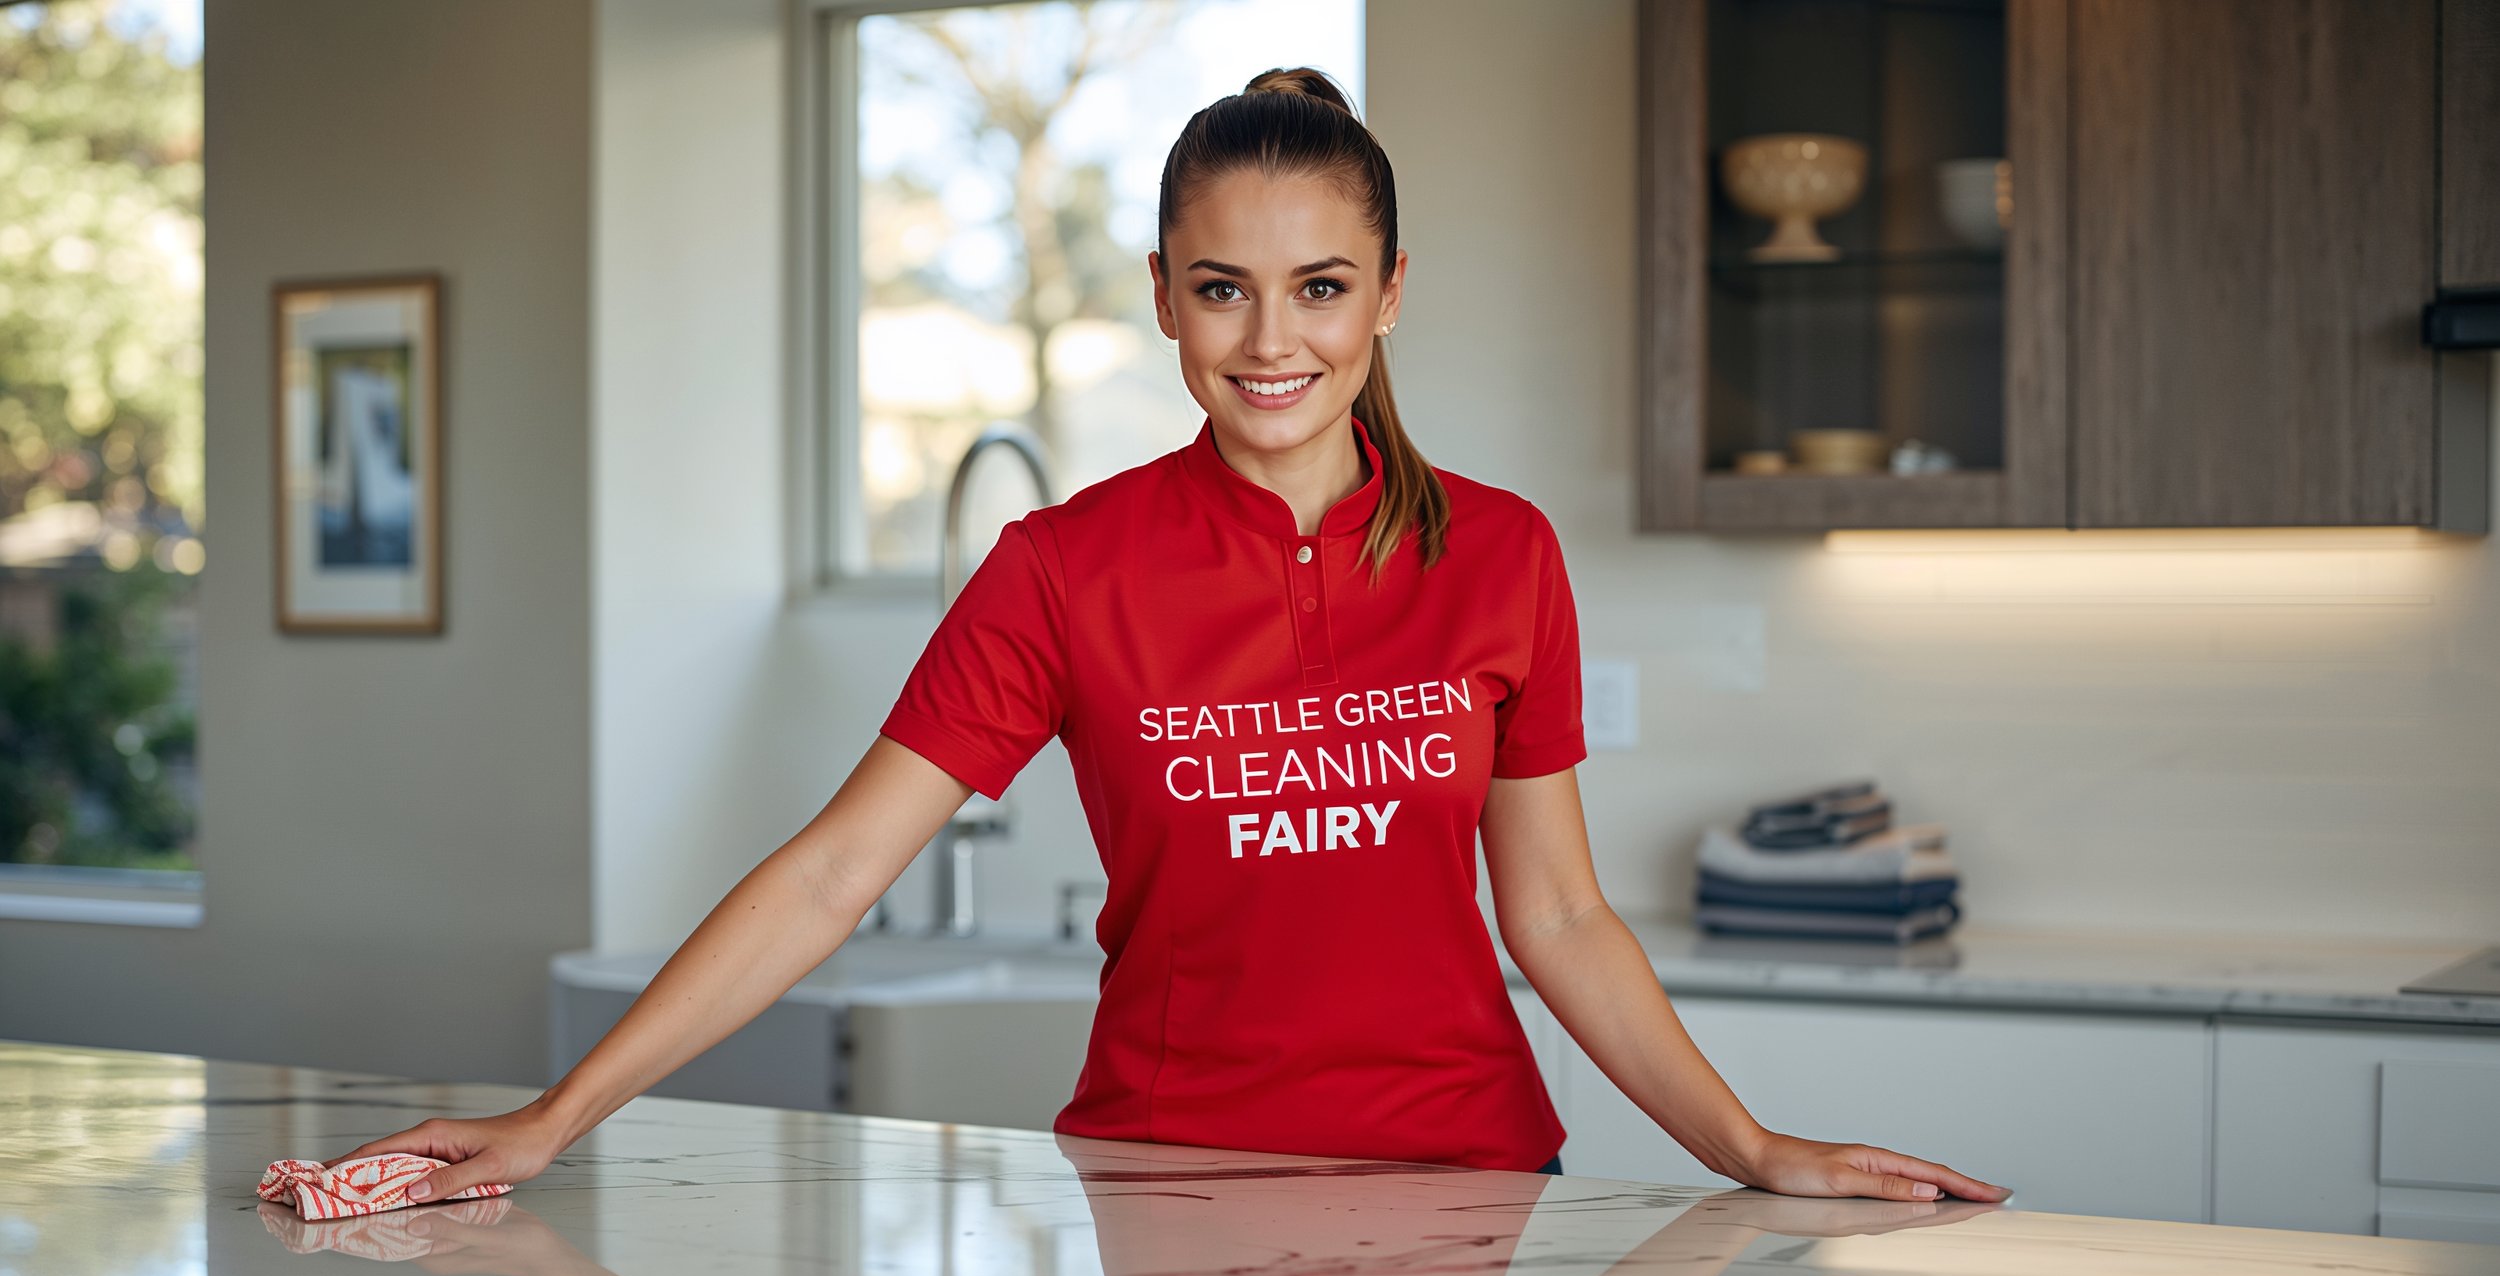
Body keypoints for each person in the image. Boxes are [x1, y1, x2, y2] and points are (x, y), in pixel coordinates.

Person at [329, 67, 2010, 1209]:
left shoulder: (1499, 554)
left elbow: (1560, 914)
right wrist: (557, 1120)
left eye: (1321, 287)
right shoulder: (1062, 570)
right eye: (1222, 288)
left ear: (1391, 292)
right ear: (1159, 293)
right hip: (1160, 1187)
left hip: (1475, 1185)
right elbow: (833, 877)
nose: (1271, 341)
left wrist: (1748, 1147)